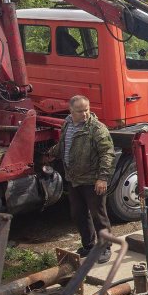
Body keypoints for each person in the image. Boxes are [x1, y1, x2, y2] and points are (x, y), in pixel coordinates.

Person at [49, 95, 115, 264]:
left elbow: (107, 154)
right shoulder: (67, 124)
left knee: (98, 215)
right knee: (78, 214)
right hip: (74, 180)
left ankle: (105, 247)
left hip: (92, 180)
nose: (85, 114)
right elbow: (64, 145)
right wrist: (50, 154)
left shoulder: (97, 128)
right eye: (80, 111)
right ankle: (89, 245)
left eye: (87, 110)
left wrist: (102, 178)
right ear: (71, 111)